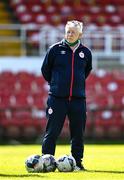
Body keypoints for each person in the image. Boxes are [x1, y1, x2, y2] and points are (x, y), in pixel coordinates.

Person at [41, 20, 92, 171]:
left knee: (78, 134)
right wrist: (57, 85)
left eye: (73, 32)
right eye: (68, 32)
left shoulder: (86, 52)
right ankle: (46, 161)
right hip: (57, 99)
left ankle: (77, 163)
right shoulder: (54, 49)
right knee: (52, 132)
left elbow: (86, 72)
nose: (70, 35)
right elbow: (45, 70)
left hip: (78, 100)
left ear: (80, 34)